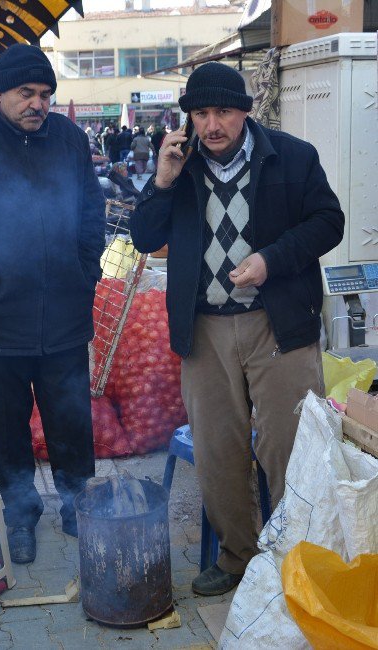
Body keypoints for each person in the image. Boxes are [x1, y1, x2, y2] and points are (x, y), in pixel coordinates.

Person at [130, 62, 344, 596]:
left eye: (222, 111)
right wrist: (160, 182)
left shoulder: (292, 156)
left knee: (289, 447)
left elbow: (329, 221)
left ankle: (299, 555)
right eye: (200, 113)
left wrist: (271, 259)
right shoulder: (179, 165)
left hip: (279, 327)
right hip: (205, 329)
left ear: (245, 111)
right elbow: (143, 235)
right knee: (218, 448)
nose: (211, 125)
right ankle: (238, 556)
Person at [0, 44, 106, 564]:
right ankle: (21, 513)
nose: (38, 104)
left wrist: (85, 271)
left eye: (46, 94)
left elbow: (92, 209)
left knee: (71, 419)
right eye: (27, 93)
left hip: (64, 316)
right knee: (7, 426)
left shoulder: (70, 139)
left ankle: (78, 505)